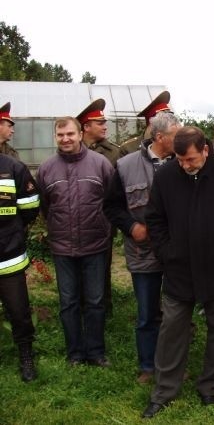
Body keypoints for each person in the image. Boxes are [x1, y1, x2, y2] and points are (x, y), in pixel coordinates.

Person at [141, 127, 214, 418]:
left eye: (191, 159)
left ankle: (210, 387)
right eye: (180, 160)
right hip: (179, 269)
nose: (185, 165)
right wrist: (166, 252)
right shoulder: (167, 176)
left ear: (205, 149)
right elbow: (154, 219)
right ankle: (164, 391)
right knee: (172, 329)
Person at [103, 111, 182, 384]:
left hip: (175, 253)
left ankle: (173, 364)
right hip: (143, 252)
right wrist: (131, 226)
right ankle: (148, 366)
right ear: (160, 137)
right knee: (147, 313)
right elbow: (111, 206)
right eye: (176, 135)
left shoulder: (184, 163)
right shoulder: (125, 166)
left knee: (176, 312)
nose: (181, 140)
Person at [36, 117, 114, 367]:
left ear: (80, 134)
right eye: (60, 135)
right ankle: (75, 354)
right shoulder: (46, 169)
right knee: (68, 302)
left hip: (95, 244)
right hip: (62, 246)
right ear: (56, 138)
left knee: (95, 300)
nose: (65, 139)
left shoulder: (100, 164)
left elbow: (111, 201)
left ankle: (96, 352)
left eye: (70, 134)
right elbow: (46, 207)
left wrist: (104, 227)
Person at [76, 98, 120, 314]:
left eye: (104, 122)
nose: (105, 126)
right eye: (100, 122)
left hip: (103, 219)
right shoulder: (70, 149)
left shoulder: (113, 152)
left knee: (103, 264)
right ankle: (80, 304)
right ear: (86, 127)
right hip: (76, 219)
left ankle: (105, 306)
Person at [0, 153, 40, 381]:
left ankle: (26, 355)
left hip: (8, 256)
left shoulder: (13, 167)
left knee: (18, 311)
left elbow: (30, 205)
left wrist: (12, 231)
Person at [120, 91, 171, 157]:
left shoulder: (174, 146)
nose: (170, 122)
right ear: (152, 122)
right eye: (164, 119)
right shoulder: (128, 148)